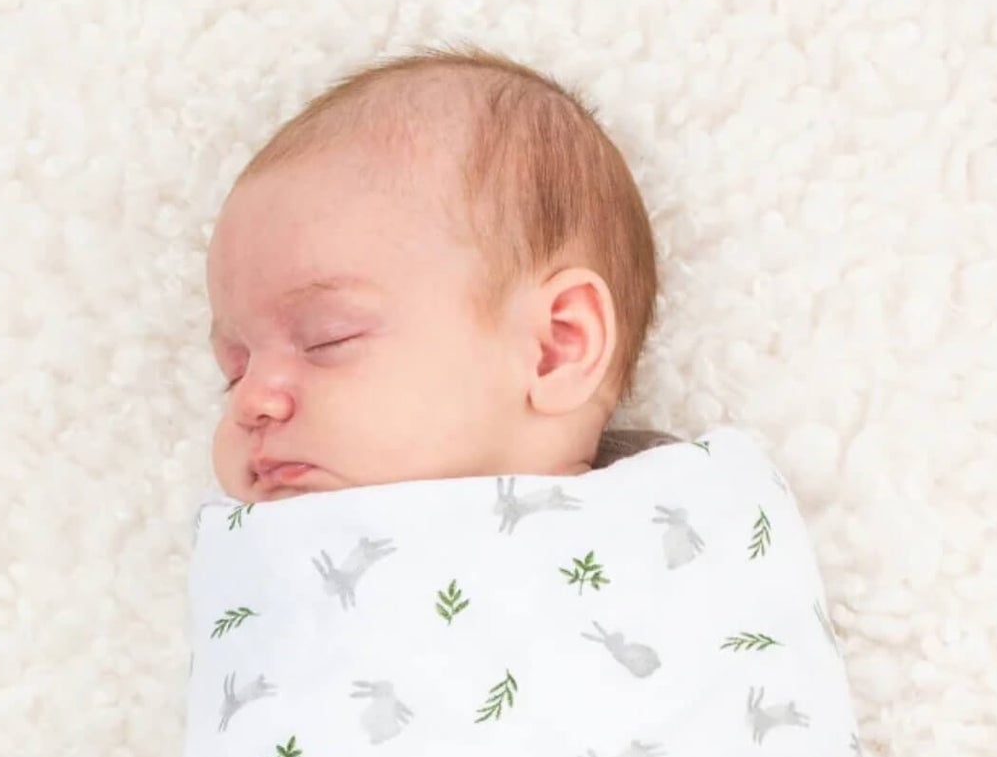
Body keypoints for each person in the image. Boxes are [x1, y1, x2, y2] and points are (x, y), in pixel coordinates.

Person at [203, 43, 682, 506]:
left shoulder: (697, 525)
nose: (252, 401)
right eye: (235, 371)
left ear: (554, 347)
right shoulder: (261, 552)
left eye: (327, 341)